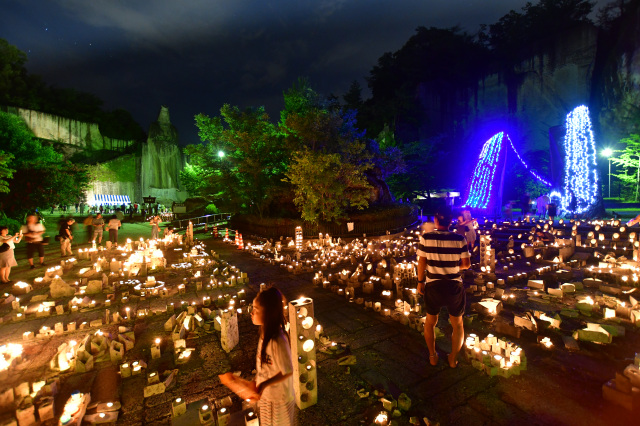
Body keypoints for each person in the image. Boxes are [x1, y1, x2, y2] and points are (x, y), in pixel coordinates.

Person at [416, 207, 470, 368]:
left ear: (436, 220)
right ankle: (453, 358)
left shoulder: (426, 238)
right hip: (454, 285)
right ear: (451, 220)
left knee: (430, 322)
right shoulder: (460, 239)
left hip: (433, 285)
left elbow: (422, 262)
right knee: (458, 324)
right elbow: (466, 264)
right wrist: (452, 267)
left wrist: (420, 282)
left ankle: (433, 356)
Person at [249, 287, 295, 426]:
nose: (251, 313)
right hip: (267, 397)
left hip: (279, 400)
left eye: (256, 309)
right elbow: (267, 367)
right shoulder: (264, 334)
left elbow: (287, 371)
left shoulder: (277, 340)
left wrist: (264, 384)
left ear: (268, 313)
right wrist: (257, 381)